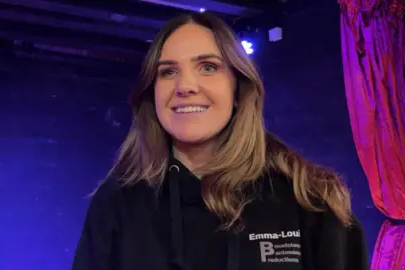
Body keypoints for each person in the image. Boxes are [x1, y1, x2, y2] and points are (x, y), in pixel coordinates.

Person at [72, 12, 369, 270]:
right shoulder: (119, 202)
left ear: (238, 88)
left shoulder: (310, 197)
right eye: (168, 72)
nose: (185, 86)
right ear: (152, 93)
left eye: (208, 67)